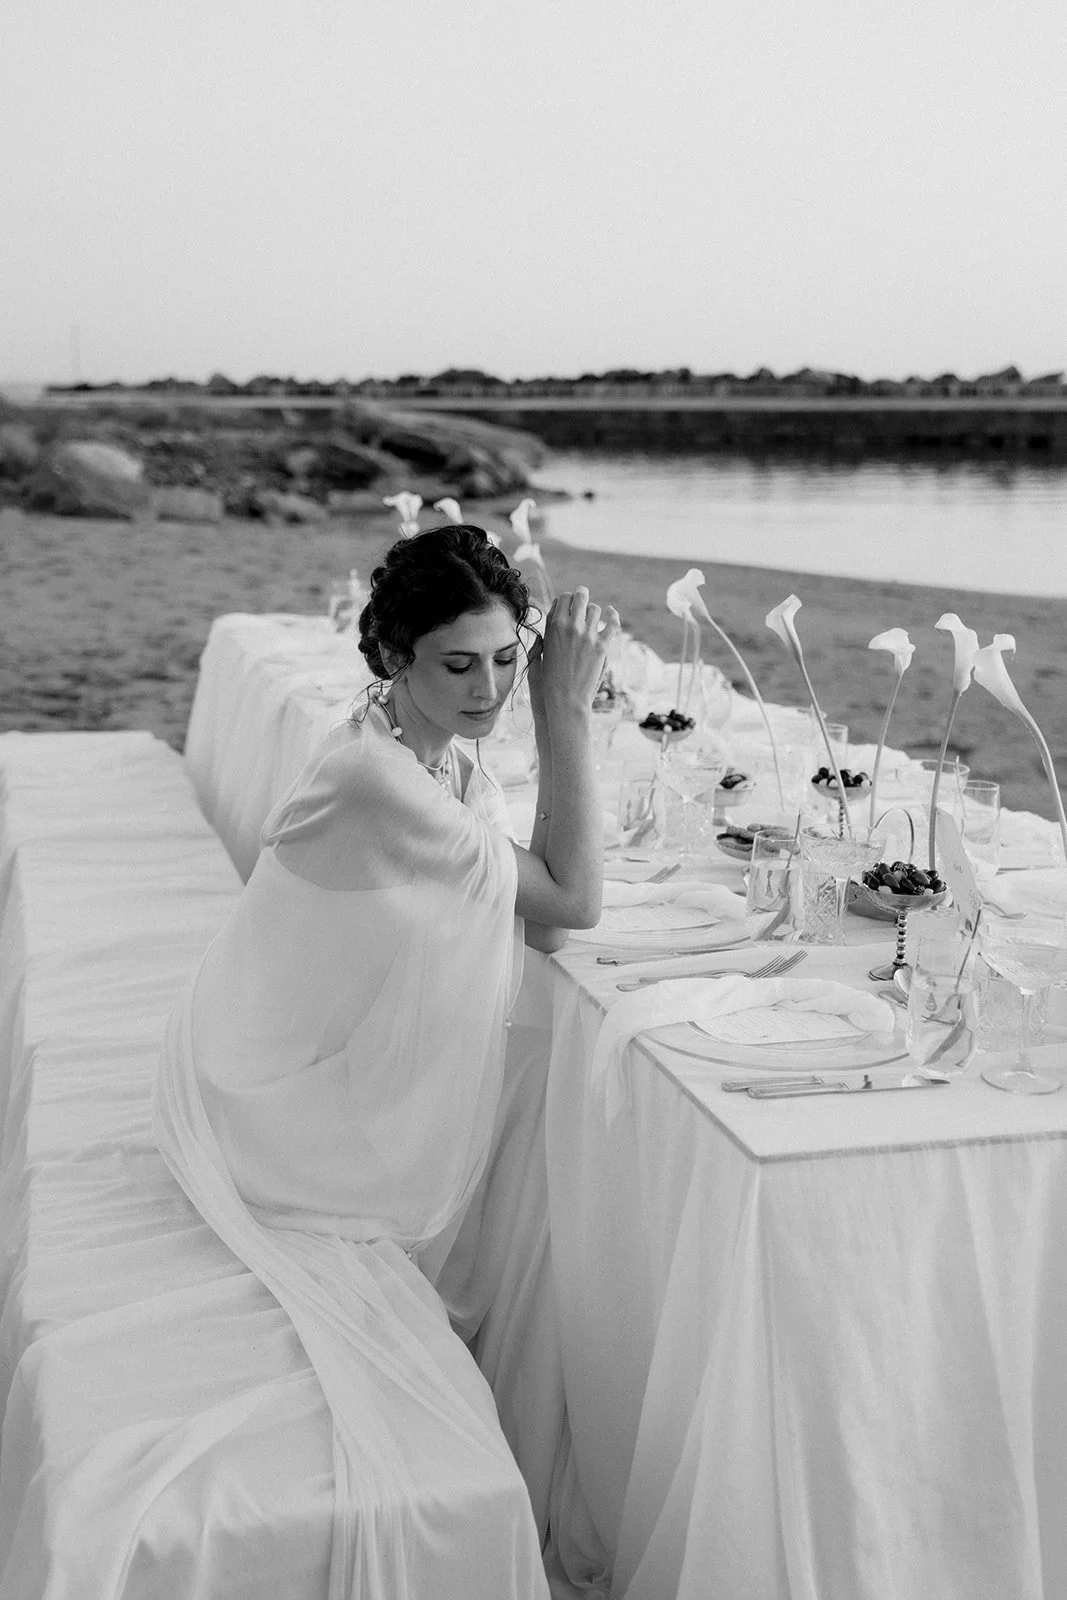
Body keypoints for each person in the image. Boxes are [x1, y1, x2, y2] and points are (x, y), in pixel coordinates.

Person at [152, 524, 619, 1600]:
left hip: (299, 1048)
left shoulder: (415, 745)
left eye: (508, 661)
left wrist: (529, 699)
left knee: (532, 1116)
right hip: (261, 1101)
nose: (489, 688)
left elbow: (534, 900)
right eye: (457, 663)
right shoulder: (377, 778)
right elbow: (567, 908)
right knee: (535, 1132)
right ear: (391, 658)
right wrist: (563, 714)